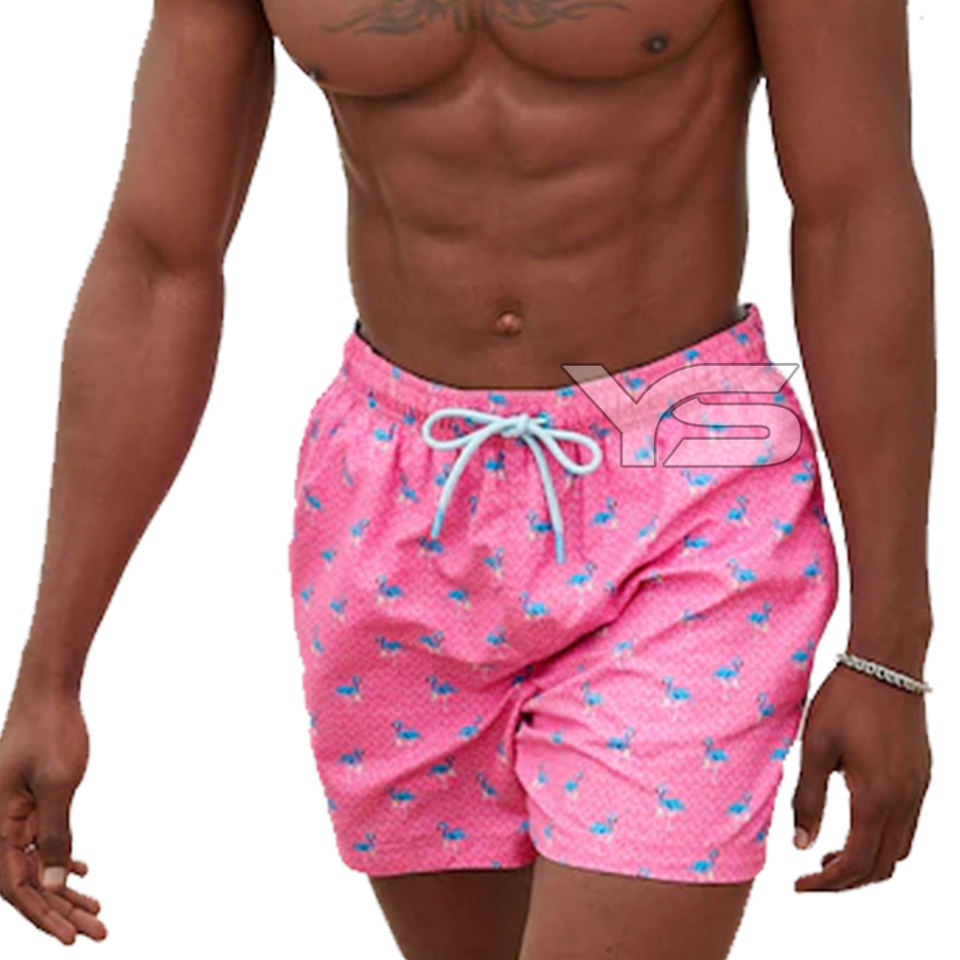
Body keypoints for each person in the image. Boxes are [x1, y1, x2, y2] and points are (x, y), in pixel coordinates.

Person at [0, 1, 935, 957]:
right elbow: (159, 263)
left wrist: (890, 648)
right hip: (402, 491)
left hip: (685, 471)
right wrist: (49, 673)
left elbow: (854, 211)